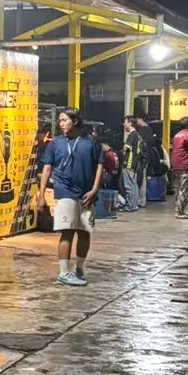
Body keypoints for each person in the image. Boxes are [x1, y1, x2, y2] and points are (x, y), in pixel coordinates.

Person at [37, 108, 103, 286]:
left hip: (86, 193)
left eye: (64, 120)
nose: (61, 124)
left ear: (75, 121)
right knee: (67, 231)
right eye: (59, 121)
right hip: (64, 190)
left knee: (84, 232)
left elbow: (99, 165)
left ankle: (79, 268)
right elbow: (47, 168)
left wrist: (95, 189)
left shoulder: (90, 142)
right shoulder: (55, 143)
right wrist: (41, 194)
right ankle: (64, 272)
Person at [170, 117, 188, 217]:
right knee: (185, 189)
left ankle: (177, 208)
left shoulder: (176, 135)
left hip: (175, 165)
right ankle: (180, 211)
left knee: (178, 188)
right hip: (184, 165)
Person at [118, 116, 143, 213]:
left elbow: (126, 148)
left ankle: (130, 205)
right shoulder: (138, 135)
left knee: (129, 185)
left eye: (125, 122)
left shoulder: (132, 135)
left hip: (129, 162)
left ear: (130, 124)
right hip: (135, 163)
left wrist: (122, 151)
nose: (124, 124)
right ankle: (134, 204)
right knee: (133, 184)